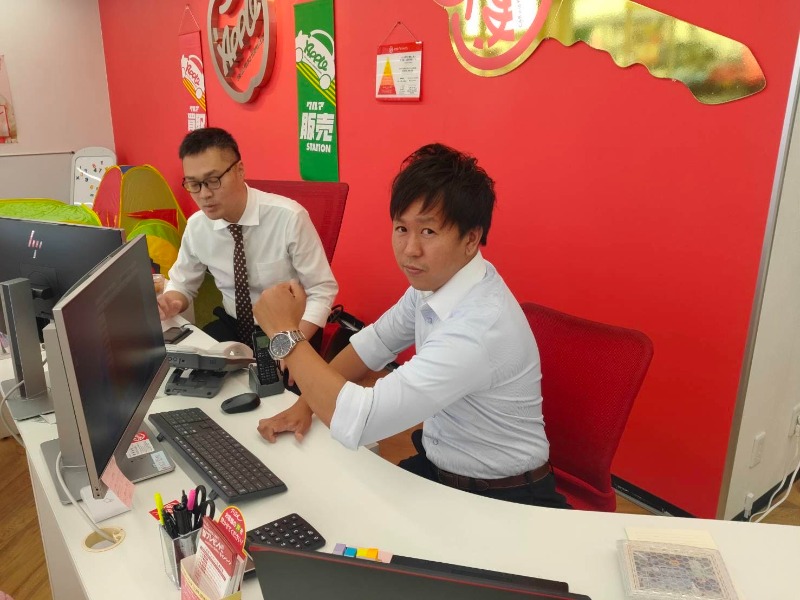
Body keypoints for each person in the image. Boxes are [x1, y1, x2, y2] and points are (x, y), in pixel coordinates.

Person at [254, 143, 569, 508]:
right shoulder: (439, 282)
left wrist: (285, 334)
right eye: (402, 228)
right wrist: (305, 405)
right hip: (440, 467)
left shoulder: (477, 328)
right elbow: (373, 344)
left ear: (471, 239)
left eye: (429, 232)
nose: (410, 249)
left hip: (504, 496)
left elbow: (362, 419)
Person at [158, 127, 338, 351]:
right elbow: (182, 283)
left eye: (213, 180)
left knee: (272, 375)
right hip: (232, 324)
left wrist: (292, 345)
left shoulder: (289, 218)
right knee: (188, 365)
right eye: (194, 184)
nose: (204, 194)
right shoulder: (198, 226)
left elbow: (321, 290)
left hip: (288, 328)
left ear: (239, 170)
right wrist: (172, 301)